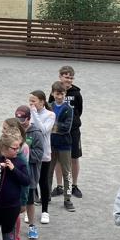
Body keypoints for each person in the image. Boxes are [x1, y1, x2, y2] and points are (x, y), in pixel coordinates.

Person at [17, 104, 46, 240]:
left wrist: (24, 153)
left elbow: (39, 153)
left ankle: (32, 226)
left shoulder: (36, 133)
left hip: (30, 173)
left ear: (29, 118)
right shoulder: (15, 131)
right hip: (16, 172)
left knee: (29, 202)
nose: (20, 123)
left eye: (23, 120)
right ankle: (13, 228)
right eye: (18, 120)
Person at [54, 65, 84, 199]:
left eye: (71, 78)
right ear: (60, 77)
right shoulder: (55, 91)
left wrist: (72, 123)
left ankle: (74, 185)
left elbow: (79, 111)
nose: (69, 80)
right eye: (66, 77)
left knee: (74, 158)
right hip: (58, 131)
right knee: (58, 159)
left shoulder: (76, 93)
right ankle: (59, 186)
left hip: (73, 131)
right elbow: (50, 108)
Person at [29, 90, 55, 226]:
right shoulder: (30, 113)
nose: (31, 104)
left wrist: (34, 113)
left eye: (33, 101)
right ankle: (29, 209)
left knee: (42, 181)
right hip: (31, 153)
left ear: (42, 101)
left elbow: (43, 130)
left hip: (44, 154)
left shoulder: (50, 115)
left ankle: (45, 211)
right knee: (30, 181)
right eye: (30, 101)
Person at [49, 84, 75, 214]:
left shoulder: (68, 109)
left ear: (65, 94)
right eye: (57, 94)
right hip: (51, 144)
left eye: (62, 94)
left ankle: (67, 198)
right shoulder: (49, 106)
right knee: (48, 171)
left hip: (64, 145)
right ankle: (46, 195)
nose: (59, 96)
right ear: (52, 94)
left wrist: (51, 126)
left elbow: (66, 128)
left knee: (67, 172)